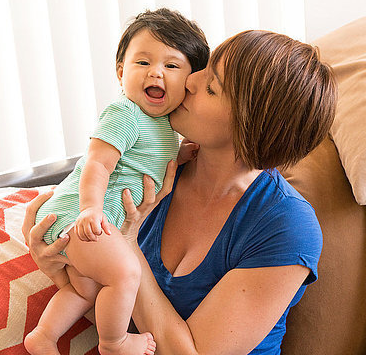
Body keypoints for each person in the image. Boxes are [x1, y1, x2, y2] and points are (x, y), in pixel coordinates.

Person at [24, 30, 337, 354]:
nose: (188, 80)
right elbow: (123, 319)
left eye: (211, 86)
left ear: (251, 125)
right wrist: (64, 269)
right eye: (204, 67)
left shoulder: (286, 227)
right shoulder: (150, 171)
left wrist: (128, 245)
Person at [23, 9, 209, 355]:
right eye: (143, 62)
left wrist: (181, 157)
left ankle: (44, 336)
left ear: (191, 82)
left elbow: (147, 161)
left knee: (87, 289)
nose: (156, 71)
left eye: (171, 66)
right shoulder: (125, 113)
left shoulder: (165, 128)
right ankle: (114, 343)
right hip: (82, 216)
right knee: (125, 272)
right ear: (121, 73)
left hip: (86, 222)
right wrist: (90, 210)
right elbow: (96, 164)